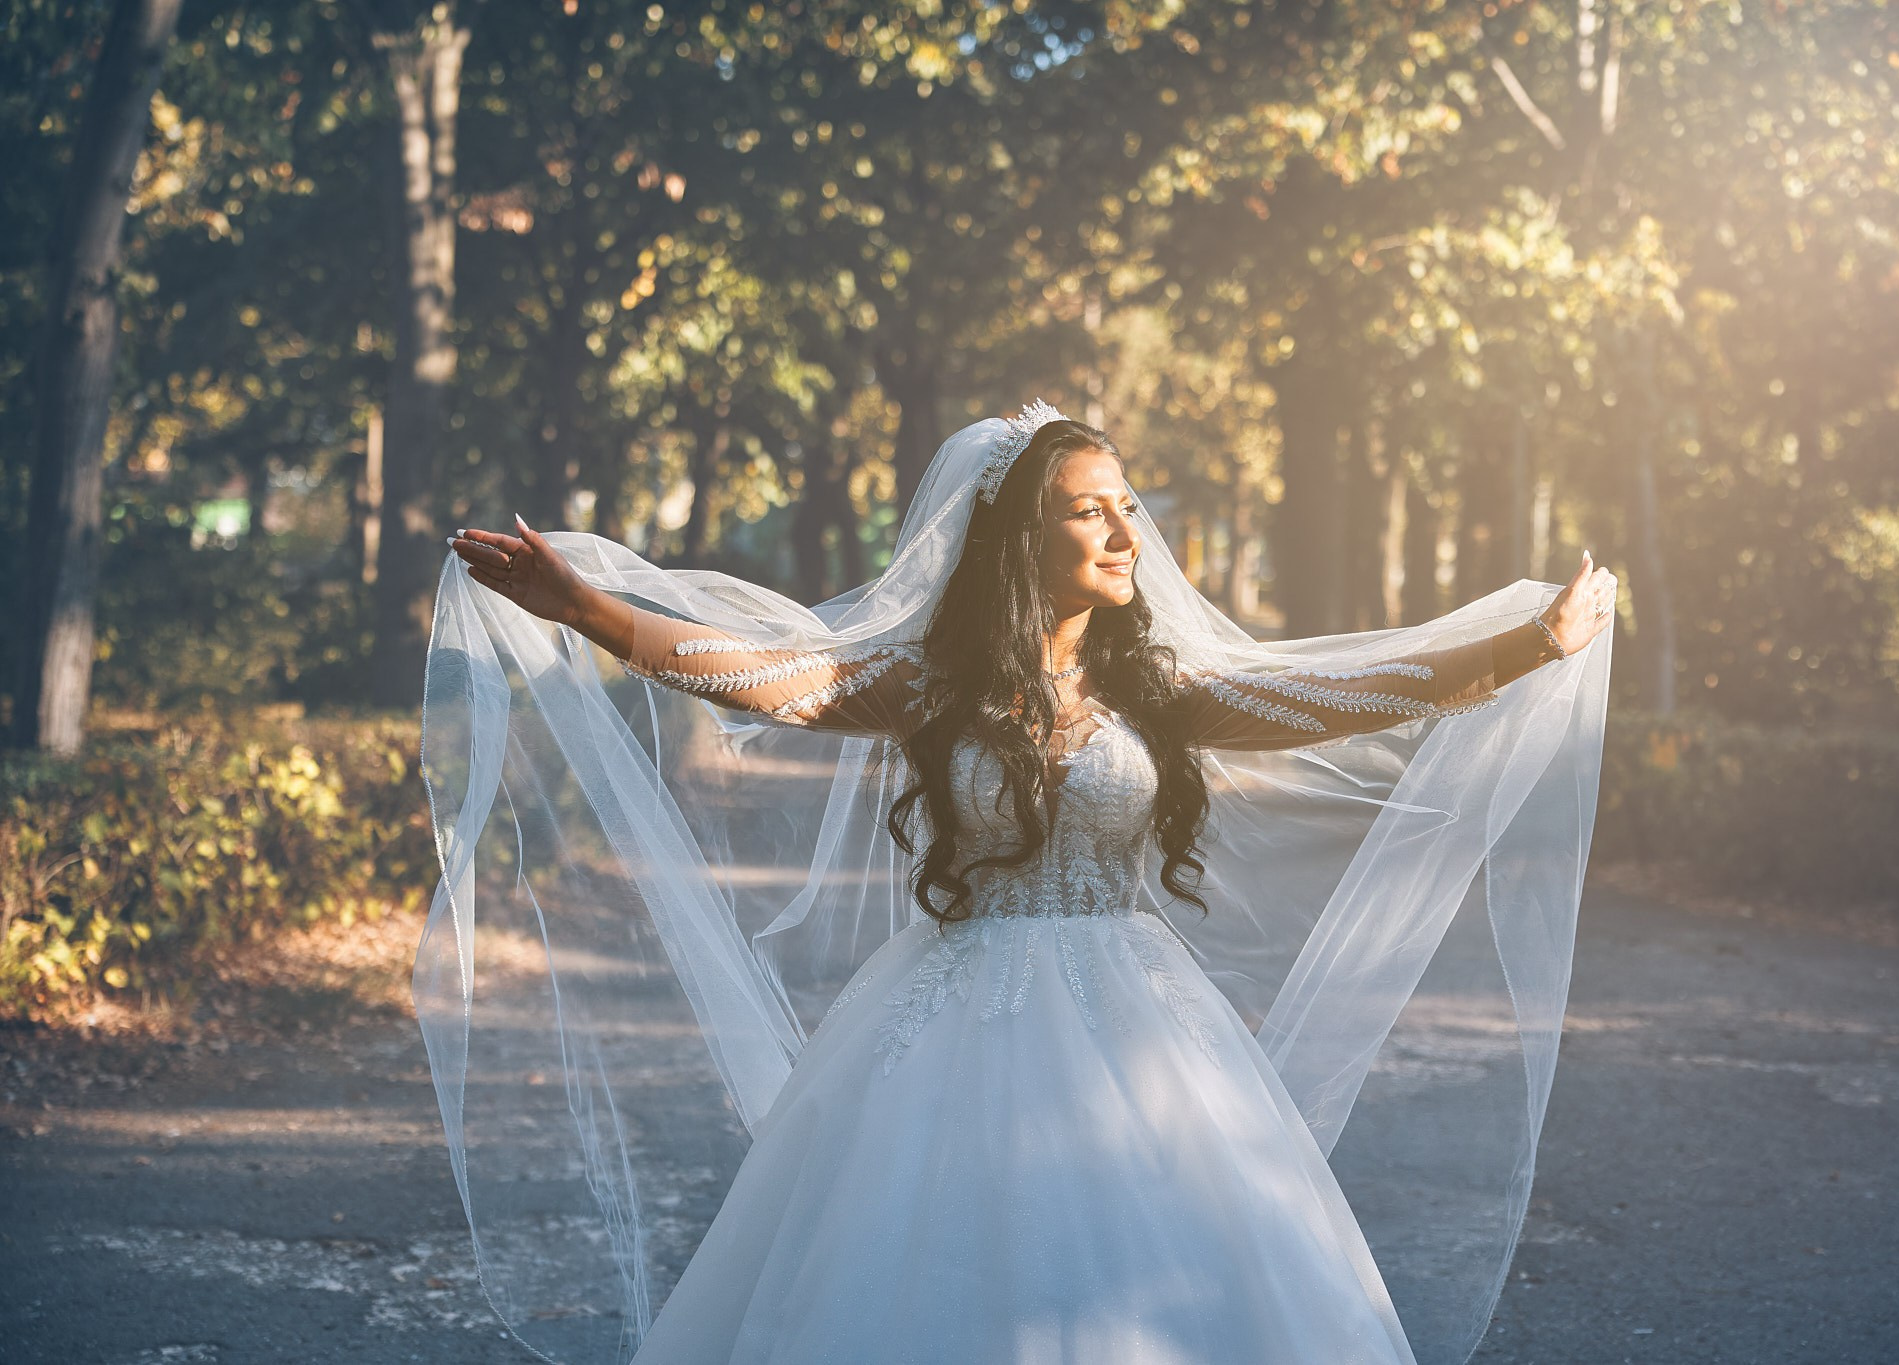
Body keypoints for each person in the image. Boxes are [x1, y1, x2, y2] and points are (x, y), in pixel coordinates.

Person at [426, 403, 1615, 1365]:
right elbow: (757, 676)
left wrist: (1526, 647)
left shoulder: (1160, 687)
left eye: (1126, 511)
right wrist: (585, 609)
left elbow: (1346, 695)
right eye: (1085, 512)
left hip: (1142, 1021)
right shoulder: (927, 686)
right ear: (1014, 538)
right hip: (946, 1018)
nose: (1121, 535)